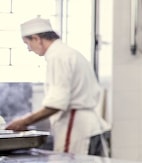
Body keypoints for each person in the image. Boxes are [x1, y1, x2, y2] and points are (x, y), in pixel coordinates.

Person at [6, 17, 110, 155]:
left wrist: (23, 122)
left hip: (76, 129)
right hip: (90, 127)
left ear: (37, 39)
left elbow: (57, 103)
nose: (29, 49)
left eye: (27, 43)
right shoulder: (68, 53)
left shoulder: (57, 56)